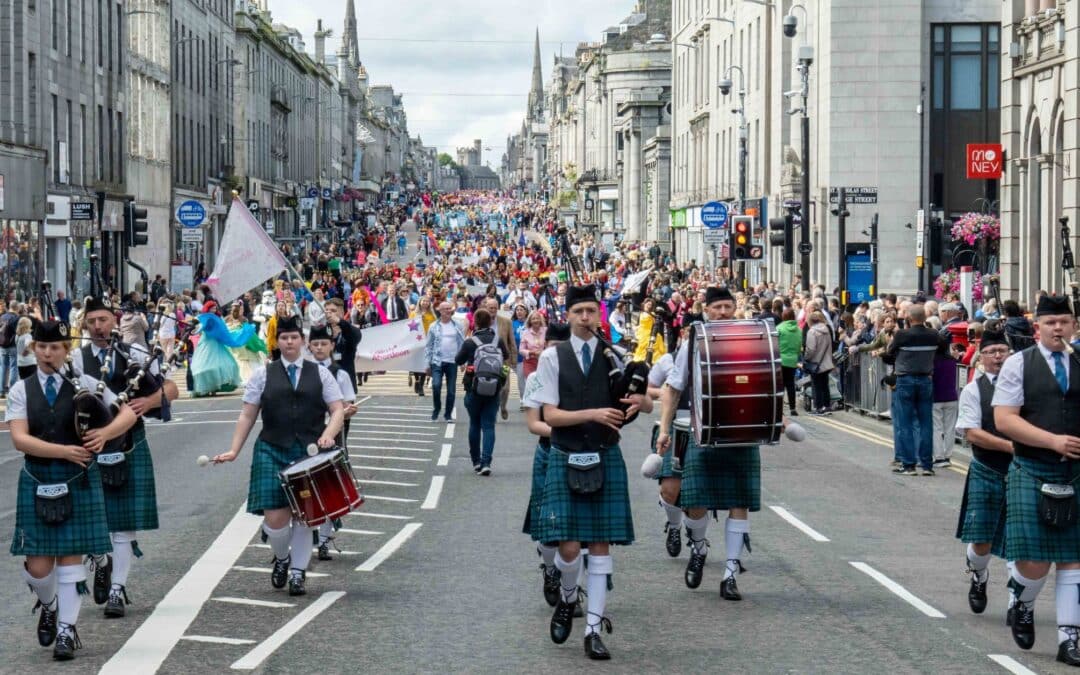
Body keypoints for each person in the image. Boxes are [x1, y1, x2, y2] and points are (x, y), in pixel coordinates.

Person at [531, 284, 652, 660]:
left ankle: (594, 629)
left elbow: (647, 403)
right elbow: (549, 415)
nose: (585, 318)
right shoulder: (553, 357)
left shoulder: (613, 355)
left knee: (599, 546)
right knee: (568, 546)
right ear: (567, 316)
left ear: (599, 314)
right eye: (579, 311)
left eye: (591, 311)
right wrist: (594, 414)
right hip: (566, 452)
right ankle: (568, 596)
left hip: (603, 453)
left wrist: (638, 401)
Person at [8, 320, 137, 660]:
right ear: (33, 349)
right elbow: (20, 439)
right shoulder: (22, 390)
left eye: (54, 347)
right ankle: (48, 604)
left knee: (69, 559)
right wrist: (63, 451)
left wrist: (106, 434)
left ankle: (66, 629)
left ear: (66, 351)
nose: (47, 353)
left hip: (77, 477)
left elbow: (127, 415)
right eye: (41, 346)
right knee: (38, 567)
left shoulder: (86, 384)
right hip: (39, 476)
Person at [213, 316, 345, 596]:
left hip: (309, 453)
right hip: (271, 447)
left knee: (305, 517)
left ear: (303, 341)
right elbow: (248, 414)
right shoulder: (263, 374)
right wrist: (234, 450)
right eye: (284, 338)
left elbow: (338, 409)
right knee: (275, 518)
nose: (289, 342)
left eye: (294, 337)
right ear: (277, 342)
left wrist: (329, 434)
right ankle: (282, 558)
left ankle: (298, 573)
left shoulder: (320, 373)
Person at [73, 294, 179, 618]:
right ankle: (100, 560)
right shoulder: (77, 359)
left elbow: (170, 389)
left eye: (102, 320)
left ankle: (117, 589)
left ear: (114, 321)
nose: (97, 326)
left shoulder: (134, 352)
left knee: (121, 523)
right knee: (87, 518)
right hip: (89, 446)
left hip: (128, 443)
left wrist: (147, 404)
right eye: (91, 322)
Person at [992, 295, 1080, 665]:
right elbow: (1005, 420)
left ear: (1074, 325)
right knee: (1034, 562)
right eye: (1050, 322)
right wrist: (1052, 440)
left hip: (1074, 472)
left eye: (1064, 321)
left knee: (1074, 559)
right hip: (1032, 466)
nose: (1057, 328)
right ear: (1037, 328)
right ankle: (1024, 602)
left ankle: (1069, 639)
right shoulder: (1017, 364)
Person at [657, 287, 757, 602]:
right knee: (694, 499)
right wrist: (664, 428)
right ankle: (698, 546)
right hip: (702, 430)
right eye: (718, 307)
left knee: (738, 501)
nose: (724, 312)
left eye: (729, 306)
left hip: (741, 430)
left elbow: (768, 379)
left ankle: (730, 573)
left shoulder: (750, 338)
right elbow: (673, 388)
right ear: (707, 310)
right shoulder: (692, 343)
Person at [954, 329, 1013, 615]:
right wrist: (1012, 446)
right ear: (982, 357)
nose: (999, 356)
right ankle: (978, 575)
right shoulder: (973, 390)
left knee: (1020, 539)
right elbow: (972, 434)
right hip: (987, 468)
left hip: (1023, 471)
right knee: (981, 542)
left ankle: (1018, 603)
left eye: (1004, 351)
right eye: (992, 352)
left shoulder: (1025, 387)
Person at [520, 322, 573, 607]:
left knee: (579, 530)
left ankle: (571, 588)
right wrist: (570, 430)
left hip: (581, 452)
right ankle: (551, 570)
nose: (557, 354)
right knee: (550, 526)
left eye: (563, 349)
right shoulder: (537, 379)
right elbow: (533, 424)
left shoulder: (582, 376)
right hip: (551, 451)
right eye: (553, 347)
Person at [306, 324, 358, 561]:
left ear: (332, 346)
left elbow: (348, 405)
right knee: (305, 489)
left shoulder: (341, 374)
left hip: (333, 436)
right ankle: (307, 537)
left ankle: (325, 540)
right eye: (315, 344)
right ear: (309, 346)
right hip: (305, 434)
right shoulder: (302, 372)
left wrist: (347, 411)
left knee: (330, 489)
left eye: (323, 344)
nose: (319, 347)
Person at [884, 304, 939, 475]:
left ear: (909, 318)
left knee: (905, 423)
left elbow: (888, 355)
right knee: (926, 423)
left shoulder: (902, 335)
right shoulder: (933, 335)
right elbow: (944, 350)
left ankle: (909, 465)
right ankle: (927, 465)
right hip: (926, 379)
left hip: (905, 379)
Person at [456, 308, 509, 475]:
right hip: (494, 388)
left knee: (474, 423)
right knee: (488, 425)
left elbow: (458, 360)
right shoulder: (497, 340)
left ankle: (476, 461)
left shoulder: (470, 342)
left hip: (474, 387)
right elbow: (505, 357)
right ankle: (487, 462)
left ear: (475, 323)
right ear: (490, 322)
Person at [425, 301, 466, 422]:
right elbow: (429, 346)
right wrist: (427, 364)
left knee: (451, 391)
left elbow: (461, 343)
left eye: (450, 309)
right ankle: (436, 409)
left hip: (452, 362)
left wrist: (463, 361)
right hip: (437, 361)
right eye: (446, 309)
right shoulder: (434, 326)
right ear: (440, 311)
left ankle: (448, 414)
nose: (449, 311)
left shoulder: (457, 325)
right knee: (436, 386)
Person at [481, 296, 518, 421]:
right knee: (491, 387)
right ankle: (493, 410)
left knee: (505, 387)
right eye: (490, 308)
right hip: (487, 360)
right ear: (486, 308)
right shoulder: (481, 321)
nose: (492, 310)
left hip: (504, 359)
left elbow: (512, 342)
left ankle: (503, 406)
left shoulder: (506, 321)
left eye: (495, 308)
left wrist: (513, 359)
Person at [803, 311, 835, 416]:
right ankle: (827, 406)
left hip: (816, 362)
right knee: (825, 385)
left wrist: (806, 357)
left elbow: (811, 350)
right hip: (826, 362)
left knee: (816, 386)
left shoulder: (812, 332)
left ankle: (818, 408)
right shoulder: (826, 329)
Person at [776, 309, 802, 416]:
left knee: (780, 386)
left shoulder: (779, 328)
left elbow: (775, 344)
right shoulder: (799, 330)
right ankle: (792, 408)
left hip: (781, 360)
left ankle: (779, 409)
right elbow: (799, 346)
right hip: (792, 360)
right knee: (790, 384)